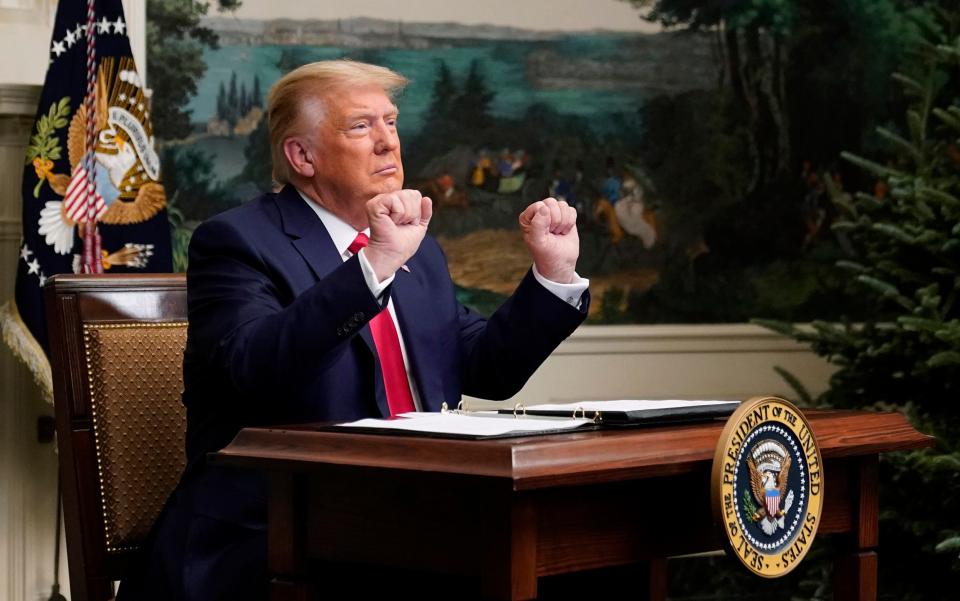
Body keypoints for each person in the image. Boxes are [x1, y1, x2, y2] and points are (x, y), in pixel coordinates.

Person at [118, 60, 589, 600]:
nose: (388, 143)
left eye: (390, 123)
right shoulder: (237, 242)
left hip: (416, 523)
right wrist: (374, 268)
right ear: (302, 156)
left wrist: (553, 277)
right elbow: (253, 367)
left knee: (577, 563)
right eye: (361, 127)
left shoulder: (418, 252)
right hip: (273, 536)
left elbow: (487, 366)